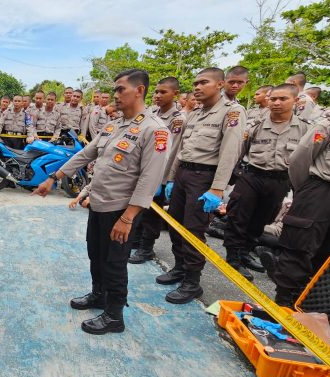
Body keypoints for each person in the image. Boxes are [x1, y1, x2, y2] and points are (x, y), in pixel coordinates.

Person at [33, 69, 167, 335]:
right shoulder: (114, 125)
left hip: (121, 211)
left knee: (115, 262)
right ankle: (99, 295)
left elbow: (149, 181)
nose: (115, 95)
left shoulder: (154, 130)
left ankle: (114, 315)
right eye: (115, 90)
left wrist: (128, 218)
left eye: (120, 90)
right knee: (96, 254)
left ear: (139, 91)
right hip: (98, 205)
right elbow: (85, 154)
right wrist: (53, 177)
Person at [159, 67, 245, 304]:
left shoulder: (232, 112)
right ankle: (179, 268)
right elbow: (180, 150)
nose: (197, 87)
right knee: (175, 225)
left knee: (194, 230)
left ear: (220, 84)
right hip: (184, 174)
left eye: (203, 82)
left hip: (204, 178)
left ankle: (192, 282)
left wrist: (217, 188)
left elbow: (230, 152)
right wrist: (170, 178)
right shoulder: (195, 114)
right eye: (195, 83)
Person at [269, 109, 330, 306]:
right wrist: (306, 192)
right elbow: (299, 160)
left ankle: (306, 299)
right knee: (299, 246)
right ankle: (284, 300)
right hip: (322, 188)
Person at [222, 84, 311, 281]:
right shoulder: (255, 126)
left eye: (283, 99)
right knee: (238, 215)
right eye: (273, 99)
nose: (277, 103)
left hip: (280, 180)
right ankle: (233, 257)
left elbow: (307, 158)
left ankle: (246, 251)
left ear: (295, 101)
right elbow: (239, 151)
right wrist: (228, 179)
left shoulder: (305, 128)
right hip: (252, 175)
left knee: (263, 218)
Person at [129, 77, 186, 264]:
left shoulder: (177, 119)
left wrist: (164, 179)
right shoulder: (151, 113)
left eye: (163, 92)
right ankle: (136, 241)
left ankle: (147, 248)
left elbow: (172, 151)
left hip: (159, 173)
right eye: (156, 91)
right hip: (143, 169)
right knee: (139, 209)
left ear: (175, 94)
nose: (157, 96)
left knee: (152, 213)